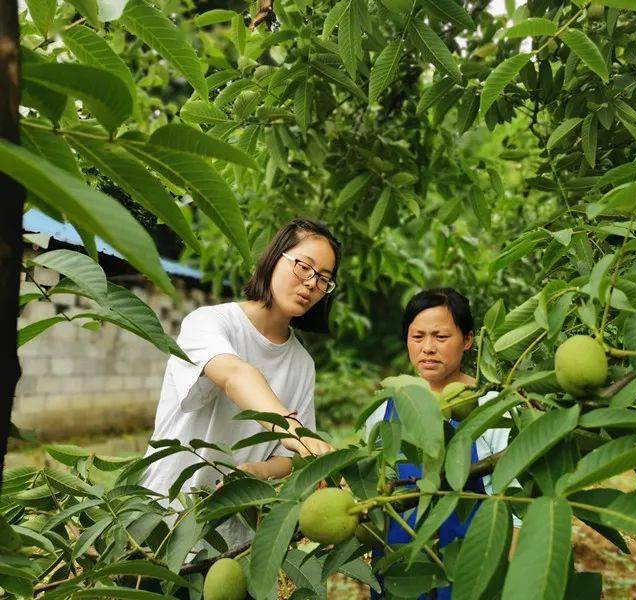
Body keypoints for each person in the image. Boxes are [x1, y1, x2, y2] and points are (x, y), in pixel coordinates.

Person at [141, 218, 339, 551]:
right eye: (304, 267)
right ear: (275, 258)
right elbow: (234, 374)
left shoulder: (302, 363)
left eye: (323, 279)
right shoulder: (209, 322)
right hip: (162, 521)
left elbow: (287, 456)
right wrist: (298, 434)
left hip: (231, 538)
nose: (310, 284)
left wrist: (256, 472)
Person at [363, 288, 520, 599]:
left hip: (470, 573)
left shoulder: (491, 405)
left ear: (468, 340)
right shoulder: (387, 407)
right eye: (417, 337)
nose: (428, 348)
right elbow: (372, 487)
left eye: (441, 337)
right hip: (400, 573)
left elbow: (515, 508)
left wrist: (508, 578)